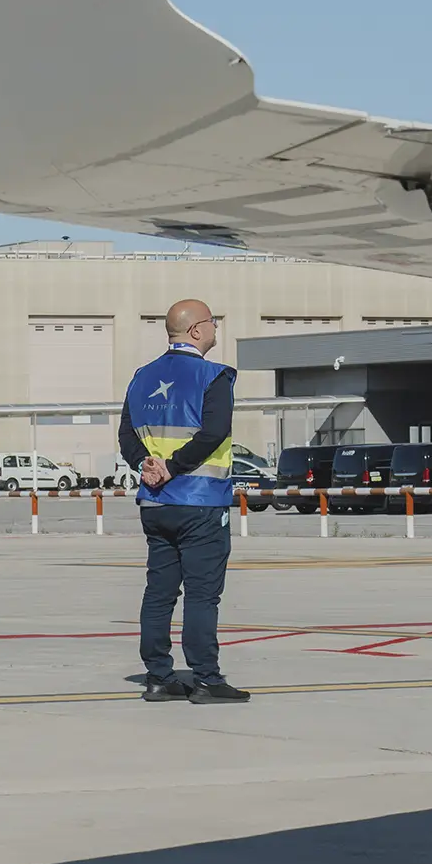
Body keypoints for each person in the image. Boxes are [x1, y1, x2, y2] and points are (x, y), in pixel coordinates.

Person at [118, 298, 250, 703]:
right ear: (196, 330)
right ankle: (206, 679)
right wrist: (174, 468)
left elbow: (126, 437)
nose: (216, 330)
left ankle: (158, 676)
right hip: (200, 502)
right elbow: (213, 435)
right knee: (202, 595)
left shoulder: (142, 377)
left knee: (159, 593)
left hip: (156, 504)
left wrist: (148, 465)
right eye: (213, 322)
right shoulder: (214, 376)